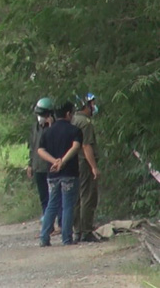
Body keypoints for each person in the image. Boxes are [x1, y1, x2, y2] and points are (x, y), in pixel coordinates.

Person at [37, 101, 82, 246]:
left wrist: (54, 161)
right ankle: (66, 238)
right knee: (68, 205)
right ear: (68, 114)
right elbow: (75, 147)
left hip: (52, 174)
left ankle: (44, 237)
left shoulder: (48, 132)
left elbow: (40, 150)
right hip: (69, 172)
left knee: (52, 204)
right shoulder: (74, 130)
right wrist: (62, 161)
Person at [27, 97, 61, 234]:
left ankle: (60, 224)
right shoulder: (35, 127)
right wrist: (30, 164)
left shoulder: (55, 127)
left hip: (50, 167)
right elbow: (32, 147)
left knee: (55, 197)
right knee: (44, 198)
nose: (40, 117)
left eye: (43, 114)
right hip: (38, 168)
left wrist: (51, 125)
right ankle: (48, 226)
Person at [71, 93, 102, 243]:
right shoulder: (85, 123)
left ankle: (77, 230)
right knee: (88, 196)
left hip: (73, 163)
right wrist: (94, 167)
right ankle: (87, 231)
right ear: (86, 105)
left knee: (76, 198)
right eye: (93, 103)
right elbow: (86, 146)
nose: (94, 106)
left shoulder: (72, 120)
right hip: (85, 163)